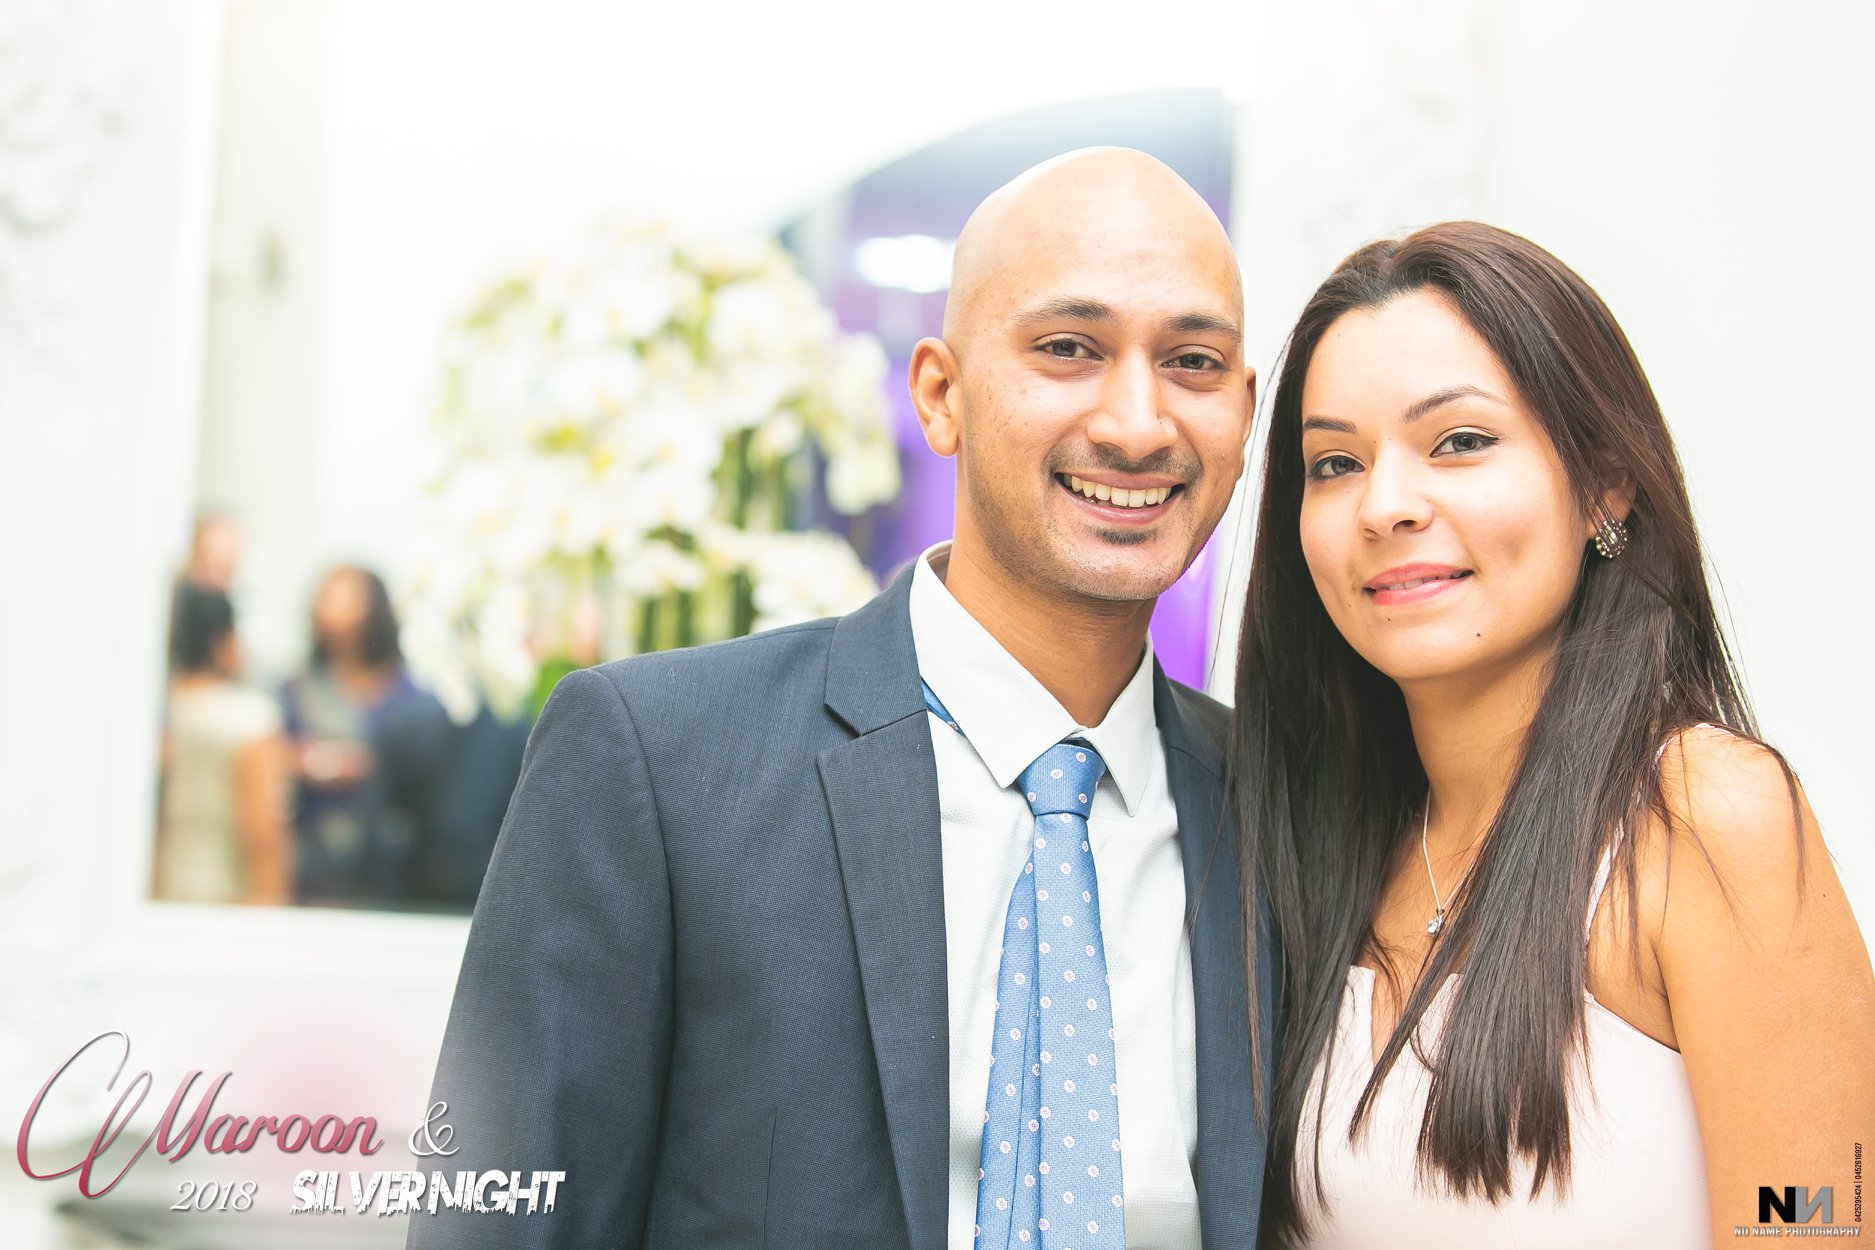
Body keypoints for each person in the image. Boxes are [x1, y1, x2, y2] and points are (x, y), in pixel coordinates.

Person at [409, 148, 1273, 1250]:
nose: (1139, 423)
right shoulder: (658, 765)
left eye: (1193, 362)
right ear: (940, 395)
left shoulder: (1281, 813)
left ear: (1244, 414)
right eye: (1069, 347)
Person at [1230, 221, 1875, 1247]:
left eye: (1460, 441)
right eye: (1334, 462)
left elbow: (1817, 1217)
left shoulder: (1702, 813)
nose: (1384, 506)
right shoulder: (1314, 835)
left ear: (1605, 482)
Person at [281, 564, 451, 906]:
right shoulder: (296, 691)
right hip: (314, 862)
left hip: (393, 868)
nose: (326, 608)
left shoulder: (413, 698)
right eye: (324, 597)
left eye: (341, 597)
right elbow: (274, 755)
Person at [154, 583, 293, 904]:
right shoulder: (249, 719)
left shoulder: (160, 713)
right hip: (228, 897)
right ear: (221, 642)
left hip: (160, 893)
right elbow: (261, 834)